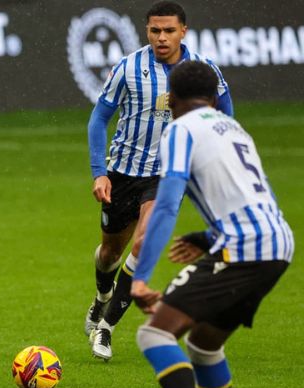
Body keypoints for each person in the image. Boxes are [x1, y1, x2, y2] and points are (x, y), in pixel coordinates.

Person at [131, 60, 293, 388]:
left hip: (245, 248)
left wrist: (140, 278)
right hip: (278, 243)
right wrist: (206, 237)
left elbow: (167, 205)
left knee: (153, 335)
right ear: (214, 96)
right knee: (204, 345)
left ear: (172, 97)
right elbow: (257, 196)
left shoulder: (180, 130)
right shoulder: (234, 128)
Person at [85, 0, 234, 361]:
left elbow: (226, 115)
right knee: (109, 255)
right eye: (155, 30)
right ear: (146, 31)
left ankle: (106, 327)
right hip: (123, 171)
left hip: (168, 173)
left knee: (143, 244)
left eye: (169, 30)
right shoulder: (128, 67)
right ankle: (101, 296)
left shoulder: (202, 72)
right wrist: (99, 173)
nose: (162, 37)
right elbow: (98, 120)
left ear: (184, 31)